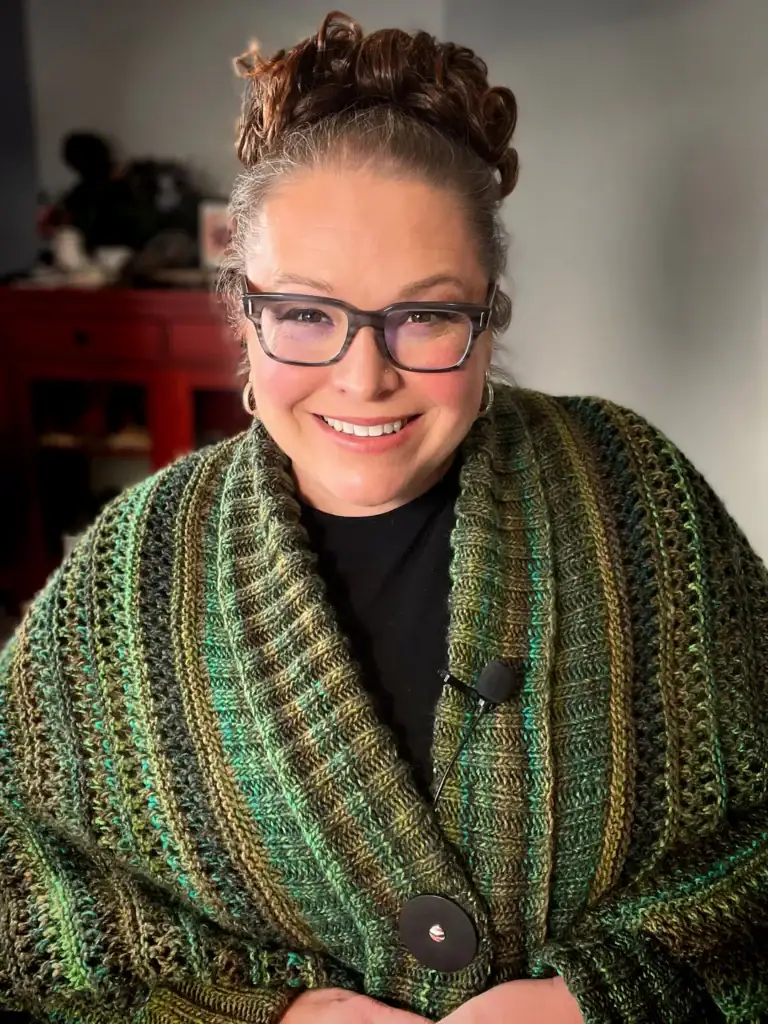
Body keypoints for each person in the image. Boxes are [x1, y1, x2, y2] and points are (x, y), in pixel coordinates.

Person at [1, 12, 766, 1024]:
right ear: (242, 309)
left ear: (489, 316)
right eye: (308, 313)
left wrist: (591, 1001)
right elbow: (26, 892)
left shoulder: (638, 499)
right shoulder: (127, 579)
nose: (366, 378)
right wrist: (268, 1017)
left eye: (426, 314)